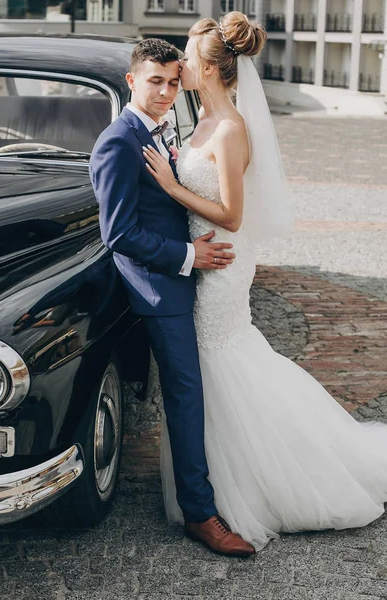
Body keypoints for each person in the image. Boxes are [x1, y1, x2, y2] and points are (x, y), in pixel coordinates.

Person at [143, 11, 387, 552]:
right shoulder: (202, 120)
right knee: (215, 369)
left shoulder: (230, 130)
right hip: (202, 257)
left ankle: (257, 484)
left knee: (223, 361)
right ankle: (218, 481)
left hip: (224, 260)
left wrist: (171, 184)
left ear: (209, 69)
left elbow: (231, 214)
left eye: (187, 54)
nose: (180, 62)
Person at [89, 38, 256, 556]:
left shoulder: (163, 130)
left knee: (196, 391)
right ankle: (200, 514)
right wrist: (188, 255)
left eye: (170, 80)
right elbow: (118, 234)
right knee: (186, 396)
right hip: (160, 287)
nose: (164, 91)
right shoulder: (118, 141)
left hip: (191, 275)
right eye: (153, 81)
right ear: (131, 81)